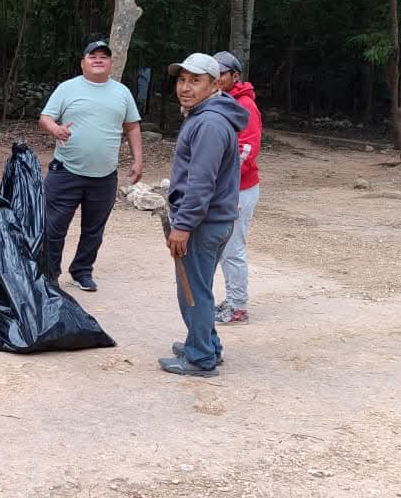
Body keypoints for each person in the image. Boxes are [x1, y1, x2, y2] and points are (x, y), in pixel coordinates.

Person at [158, 53, 249, 378]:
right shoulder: (204, 116)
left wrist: (182, 226)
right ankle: (206, 344)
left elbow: (201, 182)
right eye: (181, 80)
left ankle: (200, 358)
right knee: (199, 287)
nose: (185, 87)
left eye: (195, 80)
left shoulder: (209, 123)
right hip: (211, 220)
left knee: (192, 291)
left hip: (202, 223)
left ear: (215, 85)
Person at [38, 40, 143, 292]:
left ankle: (82, 272)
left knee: (94, 230)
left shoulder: (122, 93)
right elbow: (45, 117)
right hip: (65, 172)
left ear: (110, 63)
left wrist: (138, 159)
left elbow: (132, 126)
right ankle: (49, 275)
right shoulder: (67, 88)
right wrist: (56, 129)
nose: (98, 60)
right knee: (53, 227)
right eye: (92, 55)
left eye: (103, 56)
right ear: (83, 62)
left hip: (105, 176)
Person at [212, 51, 263, 325]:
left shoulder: (244, 106)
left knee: (233, 247)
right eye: (215, 72)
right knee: (222, 246)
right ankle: (232, 299)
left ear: (235, 76)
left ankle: (238, 305)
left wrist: (222, 179)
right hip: (226, 188)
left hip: (239, 188)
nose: (218, 78)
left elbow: (247, 150)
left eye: (223, 73)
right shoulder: (221, 102)